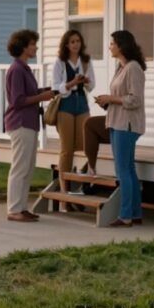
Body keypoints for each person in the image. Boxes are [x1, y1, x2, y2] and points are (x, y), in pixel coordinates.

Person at [94, 30, 147, 228]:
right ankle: (135, 213)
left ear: (121, 46)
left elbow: (135, 99)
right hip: (117, 121)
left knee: (122, 170)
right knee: (129, 169)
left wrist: (111, 99)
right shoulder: (121, 67)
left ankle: (125, 216)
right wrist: (106, 102)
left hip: (127, 124)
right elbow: (121, 97)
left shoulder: (133, 68)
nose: (110, 47)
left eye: (112, 43)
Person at [4, 29, 56, 223]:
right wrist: (41, 97)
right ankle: (14, 209)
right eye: (33, 44)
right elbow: (17, 100)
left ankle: (22, 207)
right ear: (23, 47)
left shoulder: (24, 68)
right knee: (20, 167)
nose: (36, 47)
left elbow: (27, 93)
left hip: (29, 122)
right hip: (21, 123)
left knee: (27, 167)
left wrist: (44, 91)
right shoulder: (16, 69)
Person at [51, 29, 95, 209]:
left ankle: (79, 183)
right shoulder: (60, 62)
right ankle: (63, 193)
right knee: (66, 149)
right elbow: (56, 86)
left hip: (82, 103)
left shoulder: (86, 61)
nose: (75, 44)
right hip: (66, 105)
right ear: (66, 45)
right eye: (72, 42)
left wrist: (84, 81)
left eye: (78, 41)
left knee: (87, 145)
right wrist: (71, 83)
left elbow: (92, 84)